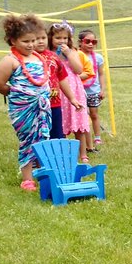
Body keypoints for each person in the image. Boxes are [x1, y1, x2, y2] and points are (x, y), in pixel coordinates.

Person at [0, 14, 80, 191]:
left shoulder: (39, 58)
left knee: (43, 137)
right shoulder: (10, 61)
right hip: (23, 109)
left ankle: (42, 172)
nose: (31, 45)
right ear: (12, 41)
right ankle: (27, 178)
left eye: (33, 40)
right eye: (26, 41)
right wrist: (19, 95)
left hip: (43, 107)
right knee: (27, 140)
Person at [51, 23, 91, 163]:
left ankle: (83, 153)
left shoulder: (72, 52)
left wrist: (68, 53)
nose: (62, 41)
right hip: (59, 91)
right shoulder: (49, 54)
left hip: (74, 89)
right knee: (61, 123)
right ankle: (64, 153)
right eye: (58, 38)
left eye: (65, 38)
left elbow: (79, 70)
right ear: (50, 38)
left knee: (78, 123)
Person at [76, 29, 109, 150]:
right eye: (87, 41)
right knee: (84, 115)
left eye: (94, 41)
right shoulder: (76, 56)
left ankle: (97, 137)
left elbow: (101, 74)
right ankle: (85, 137)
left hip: (94, 91)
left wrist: (102, 89)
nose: (91, 44)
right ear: (80, 42)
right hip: (80, 90)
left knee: (94, 114)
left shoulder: (99, 58)